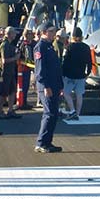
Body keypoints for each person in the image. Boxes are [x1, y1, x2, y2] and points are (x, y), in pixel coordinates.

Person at [34, 21, 64, 153]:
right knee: (49, 114)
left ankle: (48, 142)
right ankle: (41, 142)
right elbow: (40, 70)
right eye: (51, 31)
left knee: (54, 114)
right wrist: (45, 86)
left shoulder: (49, 47)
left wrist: (60, 85)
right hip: (47, 86)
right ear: (44, 32)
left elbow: (56, 68)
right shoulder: (40, 47)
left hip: (55, 85)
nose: (53, 34)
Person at [62, 27, 92, 120]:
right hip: (81, 74)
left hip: (70, 74)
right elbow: (89, 62)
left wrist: (63, 73)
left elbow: (65, 61)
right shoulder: (86, 47)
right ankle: (78, 114)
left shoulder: (70, 47)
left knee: (66, 93)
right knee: (79, 95)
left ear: (73, 36)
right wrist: (87, 73)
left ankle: (72, 110)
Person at [0, 26, 21, 119]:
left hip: (10, 71)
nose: (15, 35)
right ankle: (0, 110)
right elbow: (4, 60)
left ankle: (10, 110)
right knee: (3, 92)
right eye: (14, 33)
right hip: (4, 72)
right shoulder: (4, 45)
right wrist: (15, 58)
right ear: (9, 34)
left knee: (12, 91)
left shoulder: (10, 45)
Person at [18, 29, 36, 109]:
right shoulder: (23, 44)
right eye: (30, 34)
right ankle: (22, 102)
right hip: (23, 68)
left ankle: (24, 101)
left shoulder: (31, 44)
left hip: (28, 67)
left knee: (26, 86)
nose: (32, 35)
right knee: (23, 86)